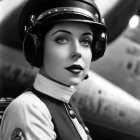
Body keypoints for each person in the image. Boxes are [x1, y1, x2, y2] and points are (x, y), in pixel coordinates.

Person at [0, 0, 107, 139]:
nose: (77, 51)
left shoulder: (69, 107)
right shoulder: (30, 109)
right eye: (62, 39)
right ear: (36, 48)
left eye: (85, 41)